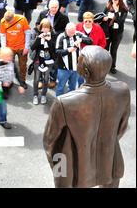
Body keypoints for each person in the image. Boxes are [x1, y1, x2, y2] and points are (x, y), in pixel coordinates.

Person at [43, 46, 130, 188]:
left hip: (76, 168)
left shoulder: (65, 102)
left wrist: (59, 169)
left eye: (78, 60)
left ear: (85, 71)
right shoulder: (122, 91)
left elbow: (50, 142)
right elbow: (121, 128)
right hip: (110, 161)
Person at [55, 23, 93, 96]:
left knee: (72, 87)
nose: (72, 34)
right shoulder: (61, 37)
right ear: (66, 30)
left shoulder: (78, 34)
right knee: (61, 87)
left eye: (73, 32)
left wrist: (81, 40)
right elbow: (57, 52)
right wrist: (68, 50)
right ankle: (59, 104)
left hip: (76, 68)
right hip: (64, 68)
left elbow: (90, 41)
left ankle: (70, 103)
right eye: (70, 33)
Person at [0, 11, 31, 85]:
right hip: (9, 48)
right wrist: (4, 48)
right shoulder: (3, 21)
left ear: (14, 18)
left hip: (21, 47)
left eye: (10, 22)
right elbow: (3, 35)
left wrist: (26, 47)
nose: (9, 23)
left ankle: (22, 80)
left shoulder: (22, 19)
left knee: (22, 66)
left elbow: (28, 33)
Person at [30, 19, 56, 105]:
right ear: (41, 28)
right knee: (37, 78)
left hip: (48, 60)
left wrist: (49, 40)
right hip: (38, 60)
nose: (45, 30)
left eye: (47, 28)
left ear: (50, 28)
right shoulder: (36, 33)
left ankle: (44, 94)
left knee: (46, 78)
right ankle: (35, 95)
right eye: (44, 28)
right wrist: (38, 38)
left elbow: (54, 50)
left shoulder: (53, 34)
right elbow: (33, 47)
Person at [102, 0, 128, 74]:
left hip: (117, 33)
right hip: (108, 32)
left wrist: (116, 12)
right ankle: (105, 65)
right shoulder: (108, 6)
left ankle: (112, 66)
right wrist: (104, 18)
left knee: (113, 50)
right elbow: (102, 15)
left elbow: (121, 21)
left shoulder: (124, 9)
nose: (113, 1)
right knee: (105, 49)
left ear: (119, 0)